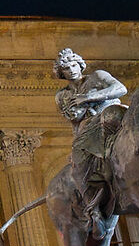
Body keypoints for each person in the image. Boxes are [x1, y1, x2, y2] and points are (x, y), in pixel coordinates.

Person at [53, 48, 126, 186]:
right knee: (79, 159)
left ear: (80, 65)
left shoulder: (97, 76)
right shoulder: (62, 96)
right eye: (66, 68)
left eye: (74, 65)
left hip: (113, 115)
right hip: (90, 127)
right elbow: (74, 123)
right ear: (61, 73)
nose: (72, 70)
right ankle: (92, 198)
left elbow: (121, 89)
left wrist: (88, 97)